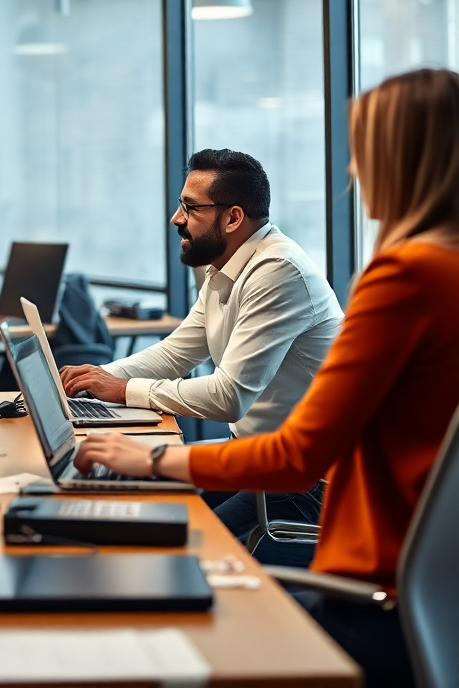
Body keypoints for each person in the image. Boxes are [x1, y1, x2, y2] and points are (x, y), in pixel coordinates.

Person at [73, 68, 459, 688]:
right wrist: (107, 381)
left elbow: (296, 455)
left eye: (365, 153)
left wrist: (150, 459)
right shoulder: (444, 269)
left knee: (169, 581)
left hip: (367, 575)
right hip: (427, 590)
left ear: (406, 162)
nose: (356, 174)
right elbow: (182, 348)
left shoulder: (404, 275)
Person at [61, 149, 343, 554]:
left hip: (303, 484)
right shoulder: (226, 265)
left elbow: (230, 397)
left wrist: (122, 391)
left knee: (180, 547)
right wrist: (94, 380)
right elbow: (177, 352)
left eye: (190, 208)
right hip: (256, 460)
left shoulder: (278, 271)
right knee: (140, 503)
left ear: (233, 218)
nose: (177, 219)